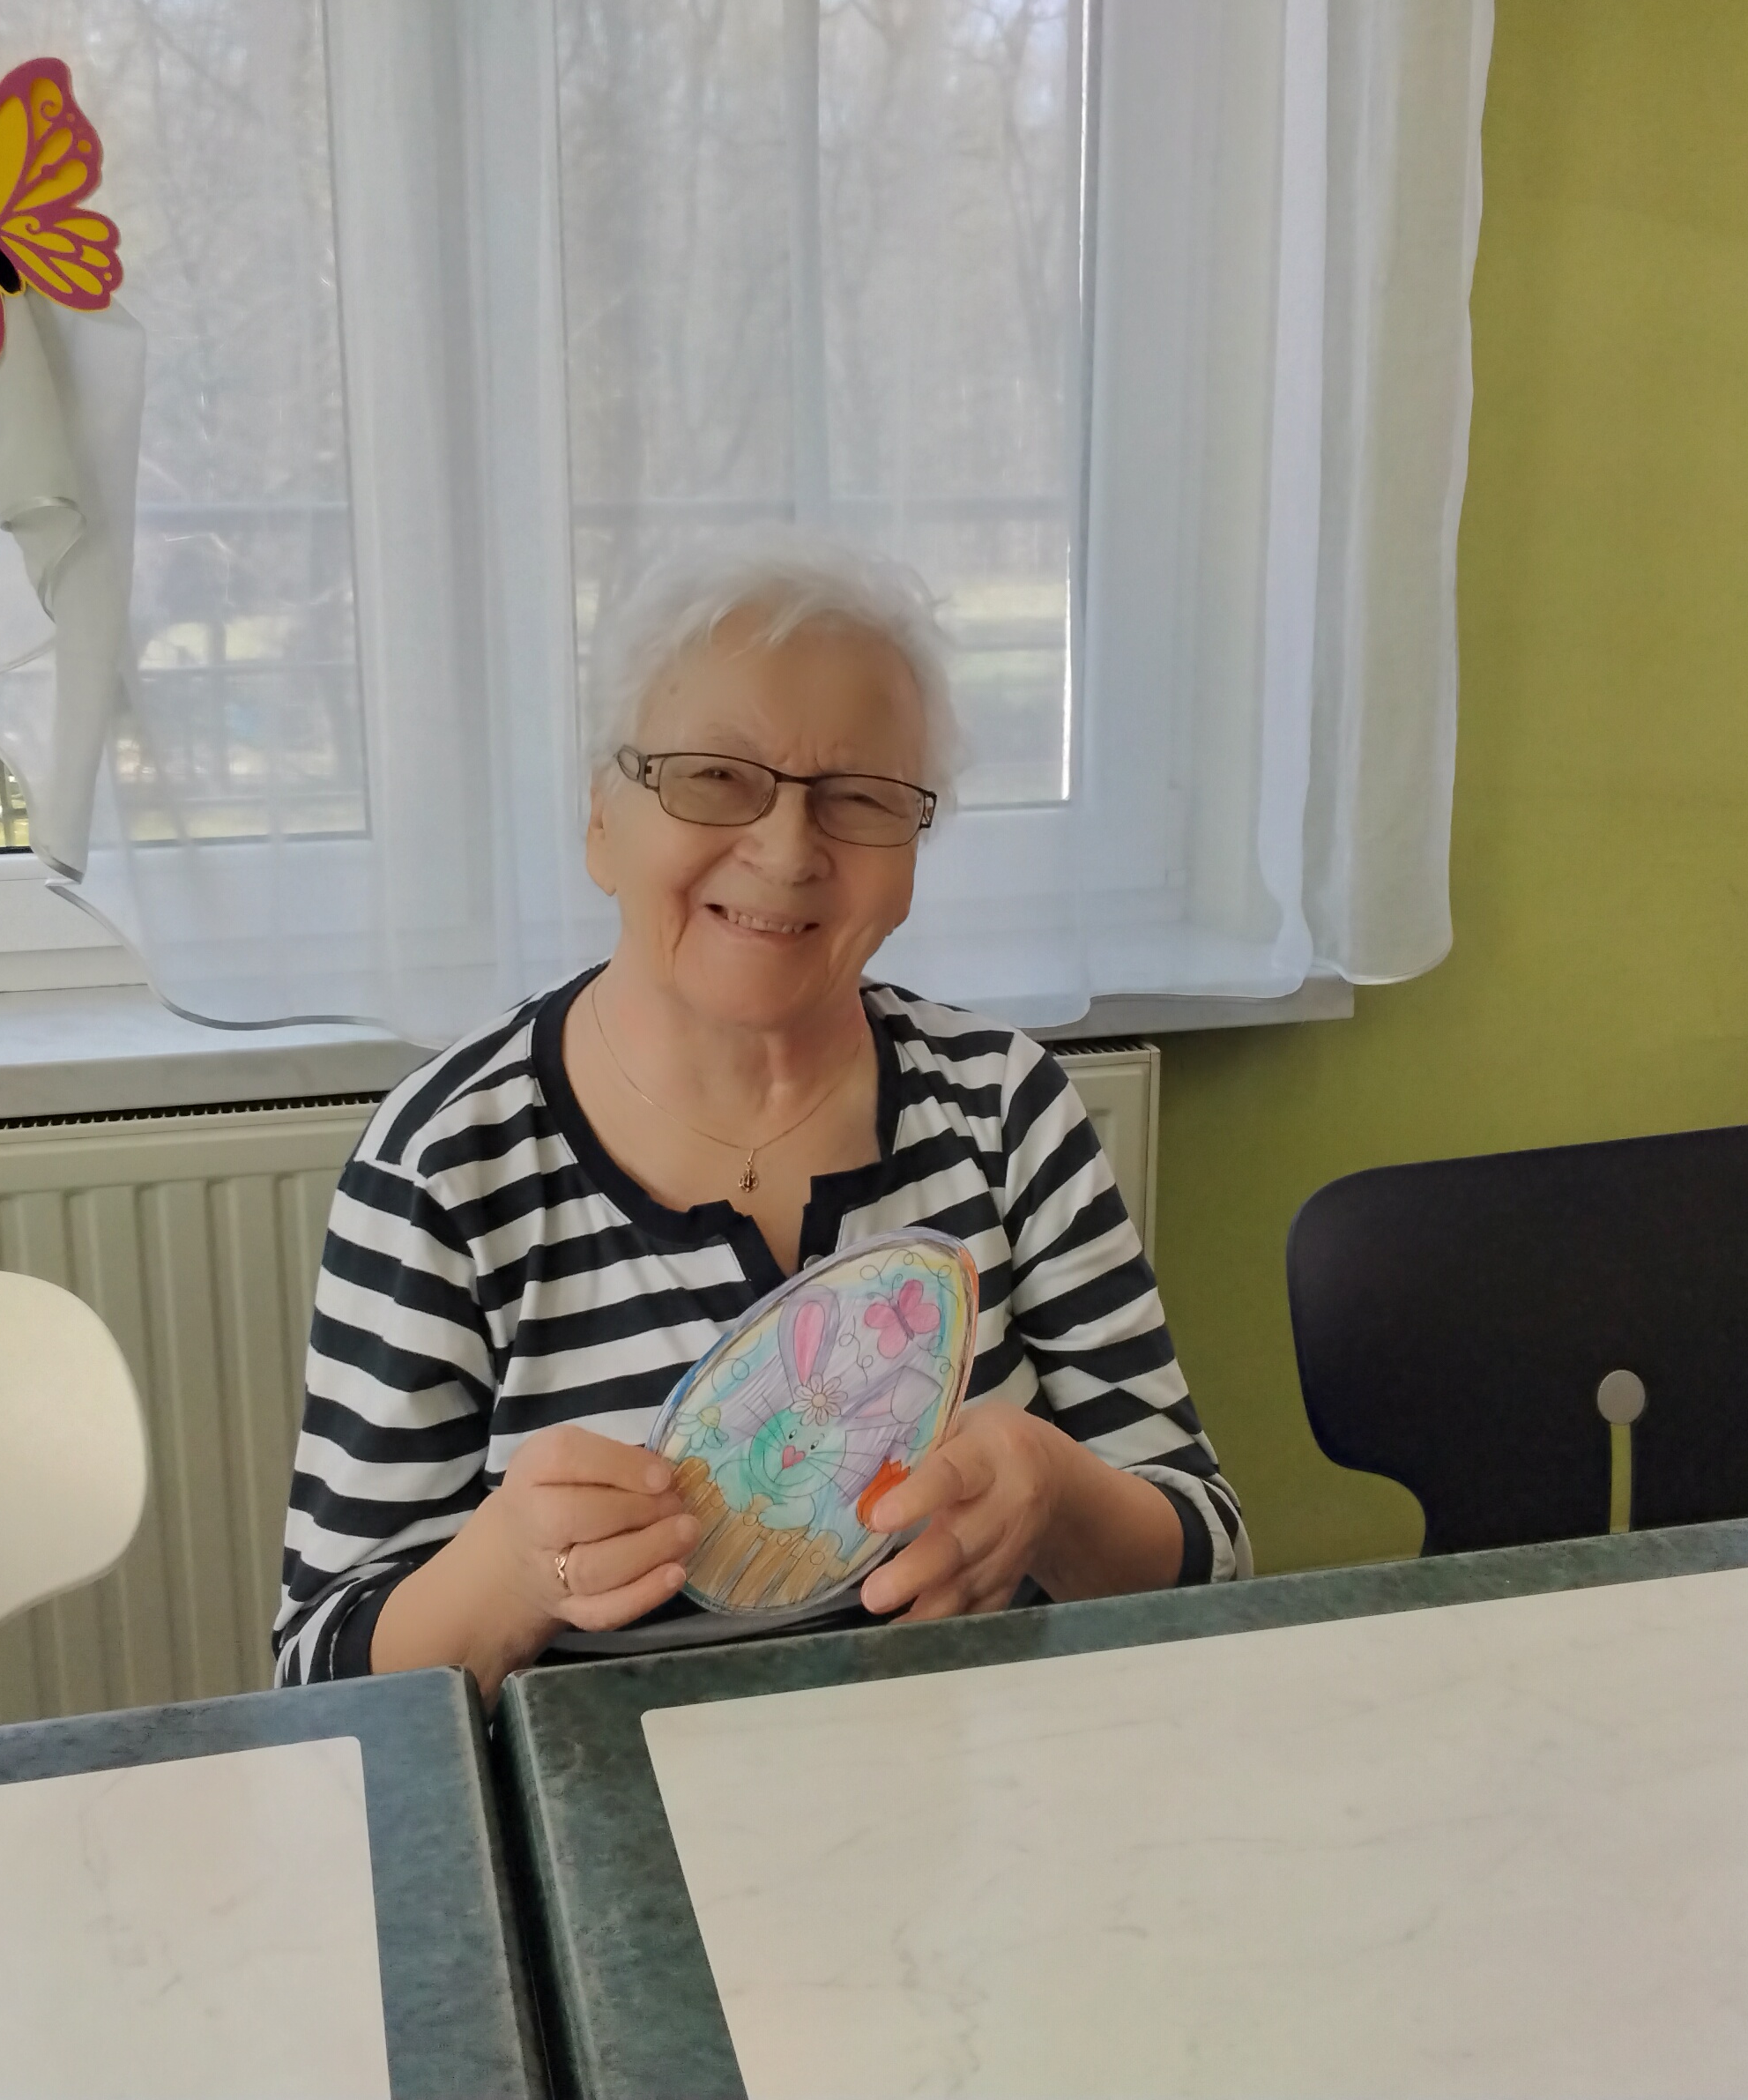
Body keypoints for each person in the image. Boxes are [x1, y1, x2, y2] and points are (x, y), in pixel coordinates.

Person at [272, 531, 1250, 1703]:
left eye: (860, 798)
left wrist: (1056, 1496)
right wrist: (506, 1575)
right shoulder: (447, 1165)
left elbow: (1215, 1560)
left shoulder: (1004, 1110)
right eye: (714, 778)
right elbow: (320, 1676)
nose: (788, 851)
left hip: (983, 1763)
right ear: (600, 820)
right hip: (606, 1793)